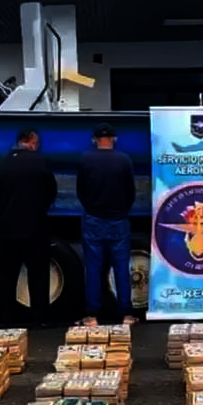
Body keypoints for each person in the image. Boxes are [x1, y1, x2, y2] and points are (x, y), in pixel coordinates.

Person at [0, 128, 59, 328]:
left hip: (7, 228)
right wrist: (41, 207)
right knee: (38, 275)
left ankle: (7, 319)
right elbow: (51, 190)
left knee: (6, 275)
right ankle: (39, 319)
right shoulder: (41, 162)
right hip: (35, 227)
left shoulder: (1, 163)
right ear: (32, 142)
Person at [75, 123, 137, 327]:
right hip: (118, 220)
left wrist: (91, 207)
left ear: (94, 140)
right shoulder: (124, 160)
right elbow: (130, 192)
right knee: (121, 267)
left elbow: (81, 190)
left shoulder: (85, 159)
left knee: (93, 268)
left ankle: (92, 314)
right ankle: (126, 313)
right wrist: (122, 210)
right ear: (115, 139)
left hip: (93, 219)